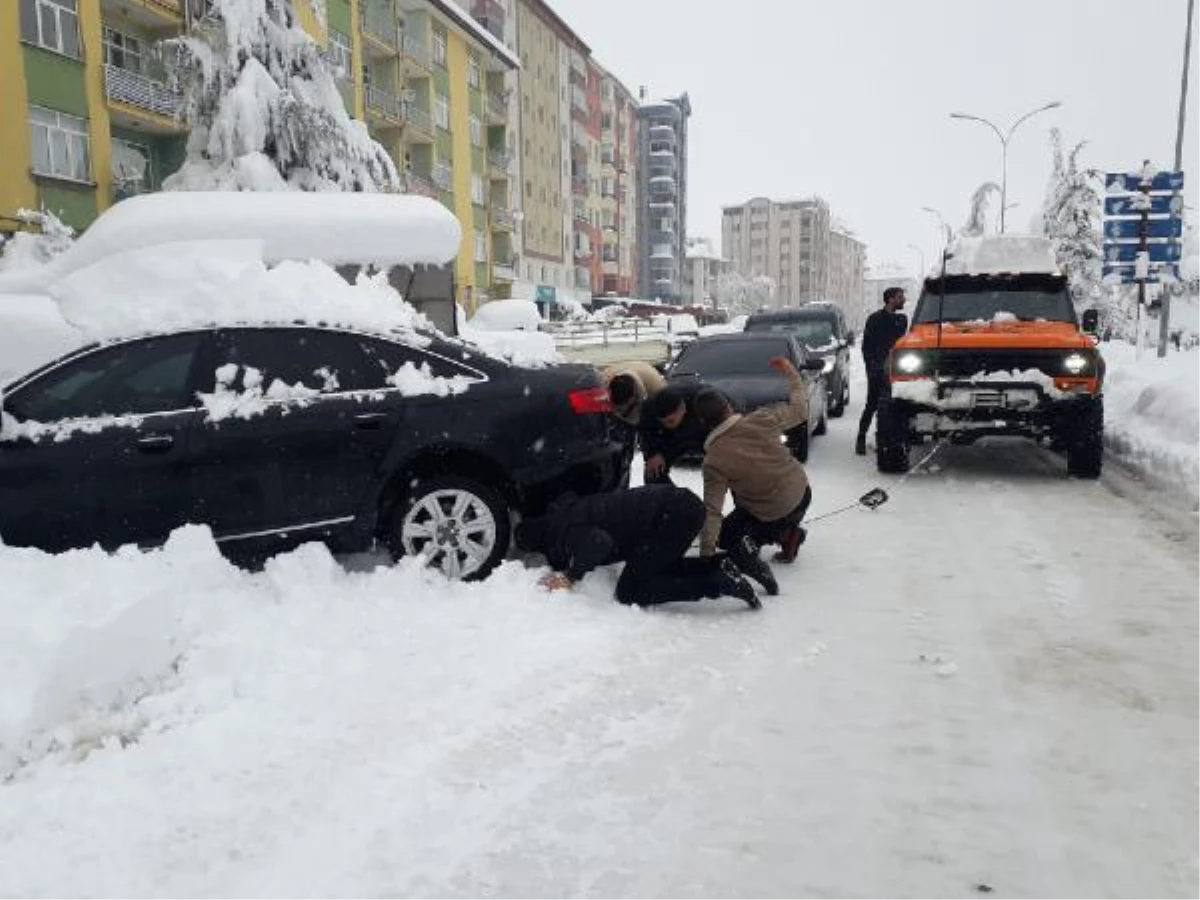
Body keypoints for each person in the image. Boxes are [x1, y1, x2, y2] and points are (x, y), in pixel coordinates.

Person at [514, 484, 760, 609]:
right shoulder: (565, 513)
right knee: (656, 566)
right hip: (676, 504)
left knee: (631, 590)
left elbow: (599, 543)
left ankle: (717, 583)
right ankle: (723, 563)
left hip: (673, 516)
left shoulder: (566, 532)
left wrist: (571, 576)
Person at [693, 357, 813, 597]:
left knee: (728, 537)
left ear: (703, 423)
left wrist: (707, 555)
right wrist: (791, 374)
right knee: (759, 509)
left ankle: (778, 536)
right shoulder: (761, 419)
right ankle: (788, 533)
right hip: (802, 495)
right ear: (728, 408)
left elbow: (712, 510)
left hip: (767, 514)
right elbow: (800, 411)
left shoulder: (714, 460)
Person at [856, 287, 910, 456]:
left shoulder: (902, 319)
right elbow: (866, 347)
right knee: (872, 404)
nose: (904, 300)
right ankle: (861, 438)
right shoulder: (874, 319)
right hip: (877, 370)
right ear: (890, 299)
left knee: (896, 406)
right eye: (900, 297)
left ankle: (891, 439)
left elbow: (902, 343)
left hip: (897, 371)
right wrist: (871, 367)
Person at [637, 388, 707, 485]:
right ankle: (667, 498)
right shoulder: (649, 408)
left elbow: (728, 427)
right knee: (653, 471)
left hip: (705, 435)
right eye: (663, 422)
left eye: (671, 421)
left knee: (728, 467)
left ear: (682, 408)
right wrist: (653, 453)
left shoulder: (707, 403)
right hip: (669, 439)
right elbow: (646, 431)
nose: (667, 425)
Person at [602, 361, 667, 426]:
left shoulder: (658, 388)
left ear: (633, 397)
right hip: (632, 369)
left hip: (650, 382)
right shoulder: (603, 379)